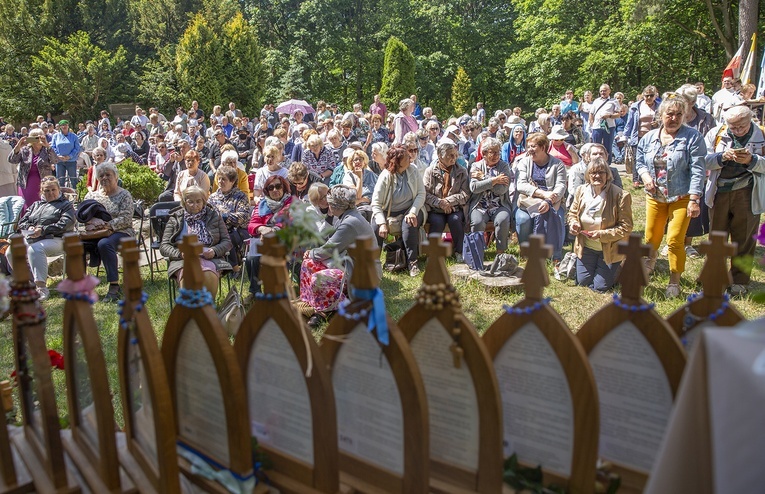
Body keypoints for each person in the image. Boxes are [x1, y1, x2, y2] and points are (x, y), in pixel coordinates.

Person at [636, 96, 706, 298]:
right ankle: (648, 269)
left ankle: (674, 281)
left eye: (678, 114)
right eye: (669, 114)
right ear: (661, 115)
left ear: (684, 116)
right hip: (655, 196)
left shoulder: (692, 137)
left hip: (681, 196)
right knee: (651, 238)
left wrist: (694, 199)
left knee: (675, 240)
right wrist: (645, 175)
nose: (673, 118)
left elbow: (698, 170)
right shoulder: (649, 137)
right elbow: (640, 160)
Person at [704, 105, 765, 295]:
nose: (737, 130)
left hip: (747, 191)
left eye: (742, 127)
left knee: (744, 237)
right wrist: (721, 157)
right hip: (720, 191)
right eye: (733, 127)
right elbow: (702, 159)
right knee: (717, 238)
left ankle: (739, 281)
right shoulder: (716, 133)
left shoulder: (761, 135)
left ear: (751, 120)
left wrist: (751, 160)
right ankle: (716, 278)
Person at [299, 184, 375, 328]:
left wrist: (311, 252)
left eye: (329, 202)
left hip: (359, 272)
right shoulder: (347, 215)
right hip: (347, 262)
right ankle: (311, 303)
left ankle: (327, 310)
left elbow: (328, 249)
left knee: (317, 278)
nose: (327, 205)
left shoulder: (349, 222)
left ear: (335, 205)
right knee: (307, 264)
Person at [567, 158, 633, 292]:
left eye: (601, 172)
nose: (597, 176)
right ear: (588, 175)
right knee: (583, 283)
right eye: (593, 173)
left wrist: (602, 234)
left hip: (609, 249)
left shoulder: (620, 195)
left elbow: (626, 227)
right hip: (587, 247)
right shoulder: (581, 191)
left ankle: (619, 266)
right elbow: (572, 213)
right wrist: (573, 223)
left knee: (600, 287)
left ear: (608, 175)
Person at [7, 176, 75, 300]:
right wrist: (31, 227)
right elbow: (22, 221)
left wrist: (43, 230)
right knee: (11, 251)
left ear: (58, 189)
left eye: (53, 189)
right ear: (41, 192)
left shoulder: (65, 205)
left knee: (35, 249)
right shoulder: (36, 205)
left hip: (57, 238)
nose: (50, 193)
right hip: (32, 237)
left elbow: (67, 223)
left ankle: (41, 289)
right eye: (46, 191)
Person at [161, 186, 232, 297]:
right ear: (184, 202)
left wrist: (214, 251)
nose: (195, 205)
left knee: (209, 274)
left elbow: (227, 241)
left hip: (210, 258)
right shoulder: (175, 218)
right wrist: (180, 254)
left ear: (204, 201)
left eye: (198, 201)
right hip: (183, 259)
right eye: (190, 202)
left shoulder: (214, 215)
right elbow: (164, 245)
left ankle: (207, 308)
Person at [81, 162, 136, 302]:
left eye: (108, 175)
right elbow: (81, 215)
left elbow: (126, 218)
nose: (104, 178)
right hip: (95, 232)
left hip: (122, 231)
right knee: (76, 244)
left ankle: (114, 285)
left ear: (116, 177)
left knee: (104, 244)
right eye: (101, 175)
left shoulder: (124, 195)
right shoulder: (91, 196)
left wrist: (107, 225)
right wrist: (91, 222)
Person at [371, 144, 426, 276]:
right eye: (407, 156)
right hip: (389, 211)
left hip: (411, 208)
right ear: (398, 161)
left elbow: (421, 194)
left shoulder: (413, 170)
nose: (410, 157)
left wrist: (413, 211)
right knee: (375, 228)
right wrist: (382, 223)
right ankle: (373, 264)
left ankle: (412, 262)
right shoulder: (385, 176)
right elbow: (376, 203)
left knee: (409, 224)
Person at [515, 132, 567, 260]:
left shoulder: (558, 164)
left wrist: (549, 201)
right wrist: (543, 194)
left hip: (552, 201)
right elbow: (521, 185)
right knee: (523, 220)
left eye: (533, 147)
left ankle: (555, 254)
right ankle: (526, 250)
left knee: (558, 217)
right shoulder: (524, 163)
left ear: (543, 147)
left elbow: (561, 186)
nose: (530, 150)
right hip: (529, 202)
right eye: (528, 147)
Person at [468, 137, 515, 255]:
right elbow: (474, 188)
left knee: (503, 219)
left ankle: (501, 254)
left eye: (498, 152)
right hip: (480, 205)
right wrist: (495, 180)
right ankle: (477, 255)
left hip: (499, 204)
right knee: (477, 222)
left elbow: (501, 190)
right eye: (492, 152)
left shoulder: (504, 167)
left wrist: (484, 178)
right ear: (484, 153)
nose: (496, 155)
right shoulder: (476, 166)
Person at [424, 139, 470, 261]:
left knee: (455, 220)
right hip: (435, 208)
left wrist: (449, 201)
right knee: (437, 222)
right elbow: (425, 194)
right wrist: (440, 203)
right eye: (450, 155)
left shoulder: (461, 171)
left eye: (455, 155)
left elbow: (465, 194)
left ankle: (459, 251)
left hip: (454, 207)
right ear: (440, 156)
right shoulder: (430, 171)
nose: (453, 158)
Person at [207, 165, 250, 278]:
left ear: (232, 181)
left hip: (237, 231)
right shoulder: (212, 197)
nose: (220, 181)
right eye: (219, 178)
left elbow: (243, 216)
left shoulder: (240, 196)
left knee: (227, 236)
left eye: (224, 179)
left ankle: (235, 268)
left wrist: (223, 217)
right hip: (215, 230)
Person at [9, 128, 57, 209]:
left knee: (43, 205)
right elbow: (12, 160)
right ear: (30, 138)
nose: (37, 140)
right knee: (27, 206)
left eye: (39, 137)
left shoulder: (46, 150)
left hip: (43, 184)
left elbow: (55, 160)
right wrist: (18, 146)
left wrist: (47, 145)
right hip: (26, 184)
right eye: (34, 137)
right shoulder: (25, 150)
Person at [624, 86, 661, 187]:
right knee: (637, 158)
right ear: (643, 95)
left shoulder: (660, 106)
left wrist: (657, 123)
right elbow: (630, 122)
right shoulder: (636, 106)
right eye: (646, 95)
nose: (648, 97)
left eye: (651, 95)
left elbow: (663, 121)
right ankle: (636, 180)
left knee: (650, 157)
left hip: (653, 136)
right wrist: (625, 136)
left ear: (655, 96)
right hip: (638, 136)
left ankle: (649, 178)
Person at [341, 149, 378, 218]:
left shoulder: (371, 175)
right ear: (351, 162)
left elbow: (377, 194)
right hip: (356, 207)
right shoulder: (348, 176)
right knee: (362, 214)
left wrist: (362, 200)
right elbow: (357, 196)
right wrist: (359, 177)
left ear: (364, 162)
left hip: (372, 205)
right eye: (355, 160)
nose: (358, 162)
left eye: (360, 159)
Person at [589, 84, 621, 162]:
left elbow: (618, 114)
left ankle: (608, 164)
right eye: (601, 91)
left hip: (609, 126)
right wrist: (592, 123)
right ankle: (595, 162)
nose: (603, 92)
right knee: (596, 146)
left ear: (609, 91)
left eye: (605, 90)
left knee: (608, 146)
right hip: (597, 127)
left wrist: (609, 115)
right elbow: (591, 113)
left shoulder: (614, 101)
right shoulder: (596, 101)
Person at [50, 120, 80, 189]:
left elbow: (77, 148)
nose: (64, 126)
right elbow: (53, 147)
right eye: (62, 125)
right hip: (59, 161)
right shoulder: (56, 136)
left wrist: (70, 156)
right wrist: (58, 155)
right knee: (60, 180)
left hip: (71, 161)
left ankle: (76, 195)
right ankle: (61, 196)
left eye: (65, 125)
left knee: (73, 179)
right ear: (60, 127)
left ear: (68, 126)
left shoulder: (74, 136)